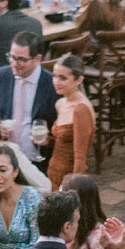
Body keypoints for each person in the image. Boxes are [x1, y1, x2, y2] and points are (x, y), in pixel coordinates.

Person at [0, 31, 57, 161]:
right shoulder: (0, 76)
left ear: (37, 59)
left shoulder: (52, 84)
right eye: (12, 57)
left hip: (39, 159)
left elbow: (63, 135)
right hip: (4, 158)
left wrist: (49, 140)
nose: (14, 63)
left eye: (21, 59)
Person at [46, 54, 94, 187]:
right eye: (54, 76)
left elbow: (80, 158)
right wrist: (47, 141)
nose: (56, 82)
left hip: (67, 180)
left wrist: (71, 190)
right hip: (53, 175)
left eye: (63, 78)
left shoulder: (80, 110)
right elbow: (64, 142)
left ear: (78, 80)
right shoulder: (60, 103)